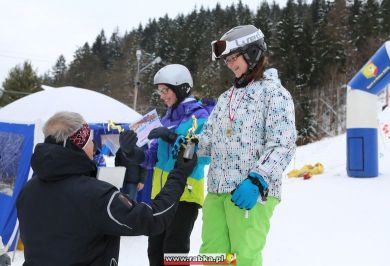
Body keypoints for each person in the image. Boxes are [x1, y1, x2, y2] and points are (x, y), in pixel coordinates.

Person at [16, 111, 197, 266]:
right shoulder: (96, 195)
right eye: (90, 141)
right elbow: (152, 219)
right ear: (78, 144)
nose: (94, 146)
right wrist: (180, 173)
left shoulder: (27, 191)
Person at [198, 25, 297, 265]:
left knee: (243, 258)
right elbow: (208, 139)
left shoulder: (275, 94)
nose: (230, 64)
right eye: (227, 60)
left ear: (253, 53)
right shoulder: (225, 98)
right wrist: (189, 146)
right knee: (212, 256)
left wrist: (258, 179)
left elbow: (283, 145)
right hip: (218, 191)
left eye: (234, 58)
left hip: (250, 191)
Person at [132, 64, 210, 266]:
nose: (162, 95)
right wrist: (132, 152)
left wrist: (172, 137)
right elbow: (151, 159)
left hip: (185, 194)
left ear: (181, 88)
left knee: (174, 252)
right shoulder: (165, 119)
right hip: (161, 196)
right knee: (155, 252)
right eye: (160, 91)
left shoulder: (200, 117)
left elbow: (200, 155)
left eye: (166, 90)